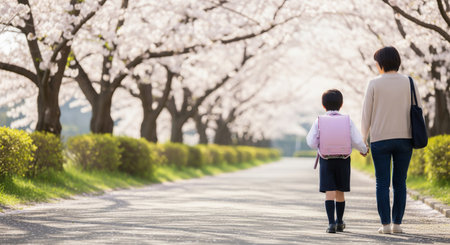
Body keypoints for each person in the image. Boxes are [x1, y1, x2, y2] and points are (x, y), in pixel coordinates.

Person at [361, 46, 422, 234]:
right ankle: (397, 224)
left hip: (380, 139)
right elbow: (419, 110)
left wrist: (363, 140)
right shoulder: (410, 82)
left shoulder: (373, 83)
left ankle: (385, 225)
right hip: (405, 138)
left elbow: (366, 115)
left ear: (380, 64)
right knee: (400, 182)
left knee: (382, 183)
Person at [307, 89, 368, 233]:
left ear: (323, 105)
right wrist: (364, 150)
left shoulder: (319, 120)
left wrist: (319, 144)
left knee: (330, 191)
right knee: (340, 191)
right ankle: (340, 222)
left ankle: (331, 223)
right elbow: (356, 140)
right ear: (341, 104)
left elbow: (311, 142)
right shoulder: (347, 120)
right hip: (343, 159)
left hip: (326, 160)